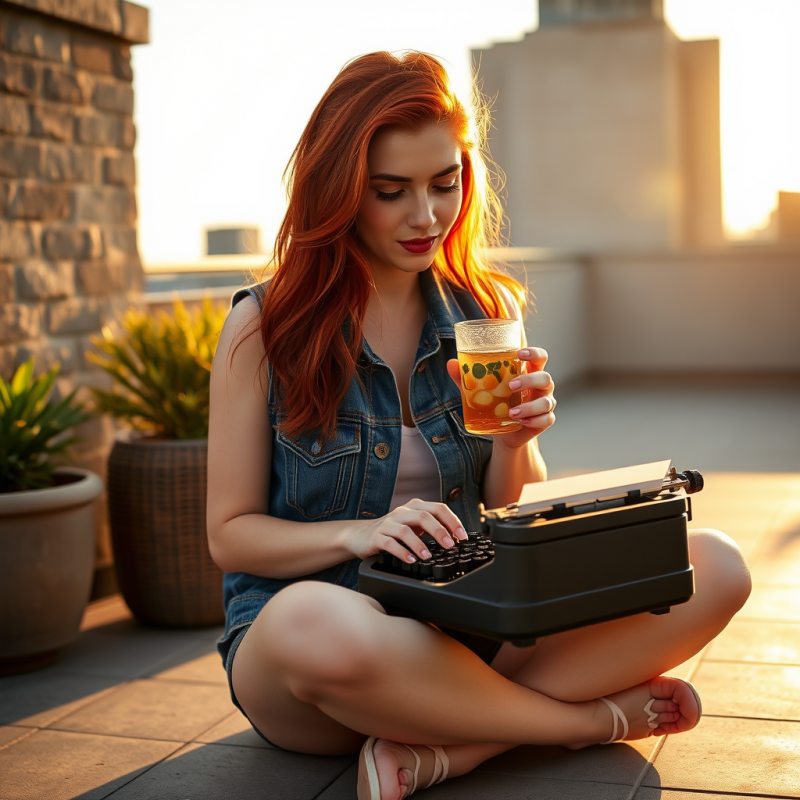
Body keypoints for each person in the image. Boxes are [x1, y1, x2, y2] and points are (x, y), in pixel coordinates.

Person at [207, 51, 751, 800]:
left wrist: (516, 442)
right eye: (391, 191)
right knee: (314, 619)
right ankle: (584, 722)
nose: (426, 215)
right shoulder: (263, 328)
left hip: (465, 627)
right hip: (319, 659)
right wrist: (356, 533)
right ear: (338, 192)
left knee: (715, 563)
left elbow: (507, 503)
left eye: (445, 182)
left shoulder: (485, 314)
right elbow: (230, 533)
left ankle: (458, 750)